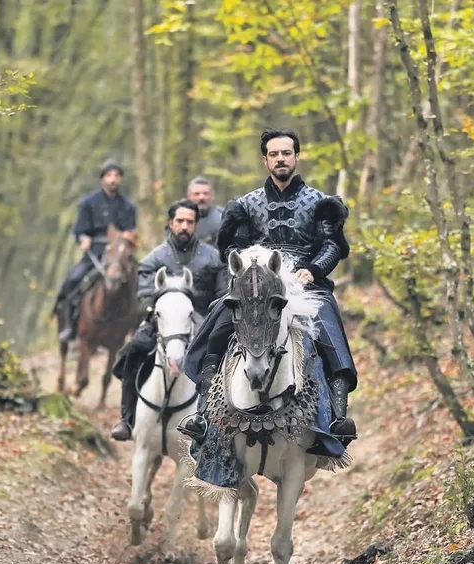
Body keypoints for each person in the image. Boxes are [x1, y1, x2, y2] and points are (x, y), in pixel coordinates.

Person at [178, 128, 357, 445]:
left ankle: (338, 418)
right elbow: (232, 248)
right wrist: (245, 267)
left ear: (296, 157)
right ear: (265, 160)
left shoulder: (320, 203)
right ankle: (202, 414)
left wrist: (313, 270)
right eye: (274, 154)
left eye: (286, 153)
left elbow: (332, 245)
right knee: (218, 321)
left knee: (328, 326)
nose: (280, 159)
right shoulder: (245, 205)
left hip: (306, 282)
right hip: (255, 282)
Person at [109, 199, 226, 441]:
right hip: (161, 323)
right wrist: (158, 311)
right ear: (171, 223)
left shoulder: (213, 258)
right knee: (134, 349)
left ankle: (217, 427)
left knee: (224, 356)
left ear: (195, 225)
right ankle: (126, 418)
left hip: (203, 324)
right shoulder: (153, 259)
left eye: (189, 222)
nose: (184, 226)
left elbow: (223, 293)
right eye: (179, 221)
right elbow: (143, 294)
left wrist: (210, 321)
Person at [53, 159, 139, 342]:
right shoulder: (88, 203)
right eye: (109, 175)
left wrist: (126, 238)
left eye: (116, 175)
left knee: (142, 283)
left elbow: (132, 232)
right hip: (95, 252)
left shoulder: (128, 207)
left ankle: (139, 328)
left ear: (120, 179)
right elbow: (79, 230)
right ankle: (69, 325)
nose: (113, 179)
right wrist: (83, 239)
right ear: (102, 179)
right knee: (72, 281)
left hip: (120, 254)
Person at [187, 176, 224, 245]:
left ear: (212, 196)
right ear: (189, 196)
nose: (201, 197)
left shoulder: (223, 217)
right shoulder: (180, 219)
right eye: (197, 194)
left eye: (205, 193)